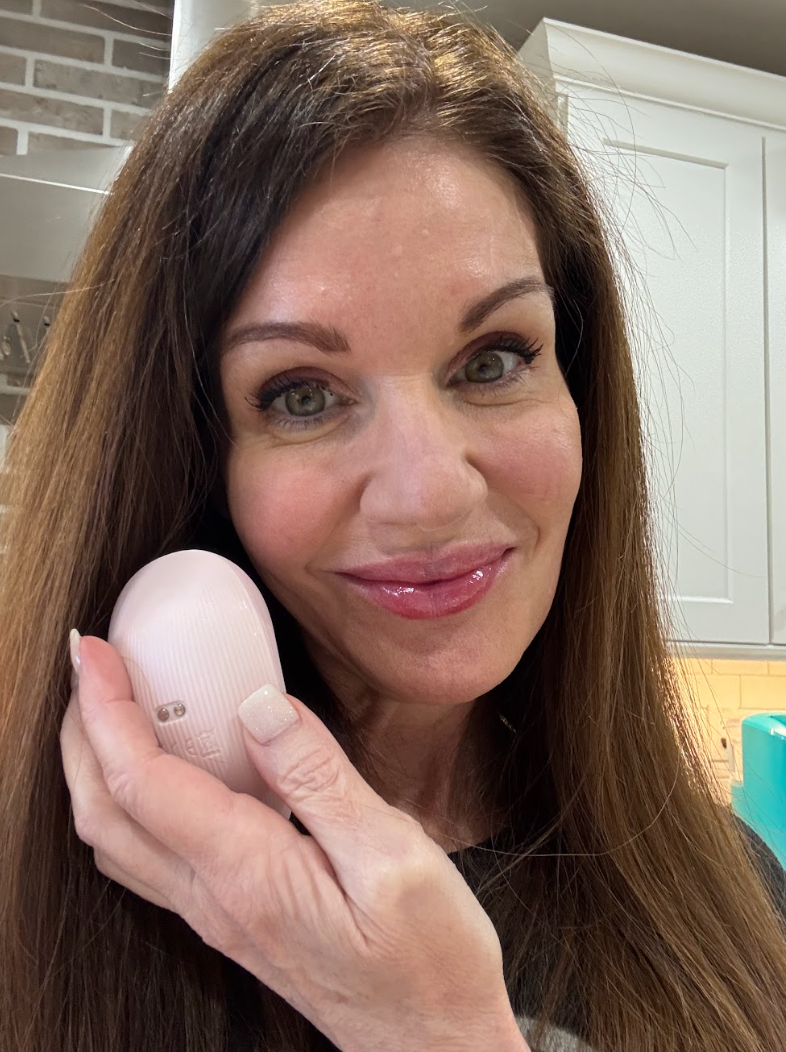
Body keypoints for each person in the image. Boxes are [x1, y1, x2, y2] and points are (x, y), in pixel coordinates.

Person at [0, 2, 784, 1050]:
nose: (429, 495)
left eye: (494, 359)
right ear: (193, 456)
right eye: (300, 393)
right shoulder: (46, 931)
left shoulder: (735, 887)